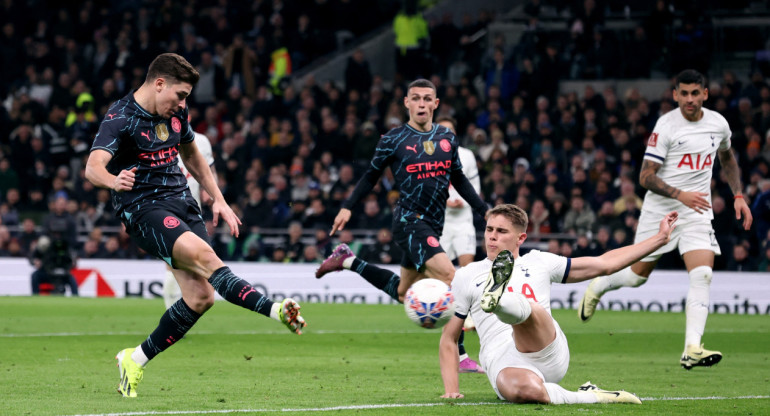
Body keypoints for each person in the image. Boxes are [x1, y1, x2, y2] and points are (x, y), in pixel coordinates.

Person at [85, 53, 306, 398]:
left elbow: (191, 154)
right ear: (159, 84)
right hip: (144, 209)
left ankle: (135, 359)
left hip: (182, 203)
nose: (183, 103)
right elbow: (93, 166)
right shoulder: (121, 117)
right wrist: (113, 181)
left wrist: (218, 197)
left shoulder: (175, 111)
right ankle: (275, 309)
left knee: (201, 297)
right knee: (208, 259)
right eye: (180, 95)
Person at [577, 69, 753, 369]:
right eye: (683, 93)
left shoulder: (718, 124)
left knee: (703, 275)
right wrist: (680, 193)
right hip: (661, 210)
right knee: (635, 277)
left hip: (697, 210)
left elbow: (727, 157)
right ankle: (600, 284)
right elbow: (645, 176)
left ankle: (692, 348)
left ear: (705, 94)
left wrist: (738, 195)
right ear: (675, 95)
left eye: (695, 93)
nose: (689, 99)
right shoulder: (666, 126)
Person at [316, 79, 487, 371]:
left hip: (433, 225)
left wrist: (484, 210)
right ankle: (459, 357)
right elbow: (370, 176)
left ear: (436, 104)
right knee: (450, 275)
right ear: (406, 103)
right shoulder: (393, 139)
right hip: (409, 221)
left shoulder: (447, 137)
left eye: (427, 99)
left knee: (402, 293)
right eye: (416, 98)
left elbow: (458, 179)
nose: (421, 104)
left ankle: (349, 260)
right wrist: (347, 207)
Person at [440, 204, 678, 404]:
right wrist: (452, 389)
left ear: (521, 237)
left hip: (547, 348)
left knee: (532, 310)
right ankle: (592, 396)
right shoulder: (467, 275)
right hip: (502, 359)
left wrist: (659, 239)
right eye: (489, 229)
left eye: (501, 231)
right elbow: (449, 337)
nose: (492, 235)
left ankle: (500, 302)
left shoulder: (539, 262)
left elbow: (604, 264)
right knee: (528, 391)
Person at [162, 129, 216, 310]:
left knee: (197, 265)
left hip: (194, 211)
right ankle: (173, 312)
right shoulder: (159, 137)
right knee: (173, 264)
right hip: (167, 209)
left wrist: (210, 192)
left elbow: (210, 171)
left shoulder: (201, 141)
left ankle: (181, 311)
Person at [437, 116, 480, 268]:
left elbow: (475, 185)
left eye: (450, 130)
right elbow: (426, 189)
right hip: (440, 223)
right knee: (441, 271)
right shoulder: (429, 158)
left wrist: (466, 200)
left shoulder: (467, 155)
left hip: (464, 221)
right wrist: (446, 202)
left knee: (467, 268)